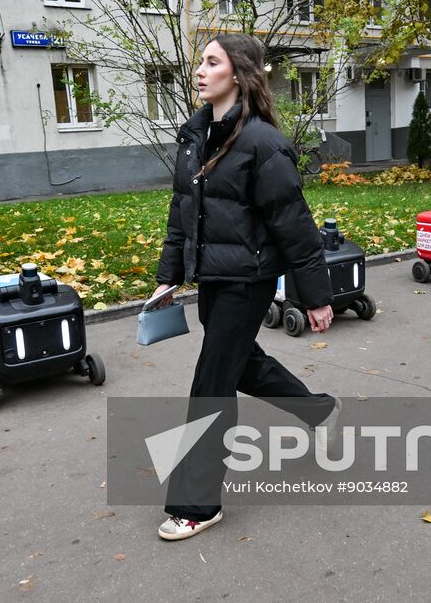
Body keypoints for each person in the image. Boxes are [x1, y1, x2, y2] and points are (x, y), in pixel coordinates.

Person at [145, 34, 340, 542]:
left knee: (211, 385)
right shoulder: (195, 136)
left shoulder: (263, 144)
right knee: (240, 362)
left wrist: (315, 296)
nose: (201, 70)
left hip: (248, 279)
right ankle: (317, 408)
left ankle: (197, 503)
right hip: (212, 274)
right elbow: (181, 214)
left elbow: (294, 224)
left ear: (240, 74)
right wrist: (170, 274)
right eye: (201, 61)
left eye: (212, 62)